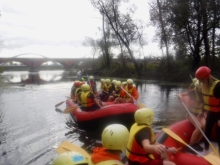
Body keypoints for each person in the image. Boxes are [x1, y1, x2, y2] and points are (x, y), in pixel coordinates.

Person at [194, 66, 220, 155]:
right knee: (207, 131)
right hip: (211, 113)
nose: (200, 82)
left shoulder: (218, 86)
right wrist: (202, 111)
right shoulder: (204, 86)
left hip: (219, 114)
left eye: (201, 80)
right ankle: (206, 150)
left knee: (218, 134)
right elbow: (206, 101)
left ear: (206, 78)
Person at [178, 79, 206, 152]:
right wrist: (180, 97)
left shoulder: (205, 94)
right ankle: (190, 145)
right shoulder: (192, 92)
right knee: (199, 126)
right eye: (199, 88)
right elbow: (180, 94)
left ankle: (196, 143)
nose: (200, 89)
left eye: (201, 88)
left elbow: (206, 105)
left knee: (205, 126)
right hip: (190, 113)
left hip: (200, 113)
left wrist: (202, 112)